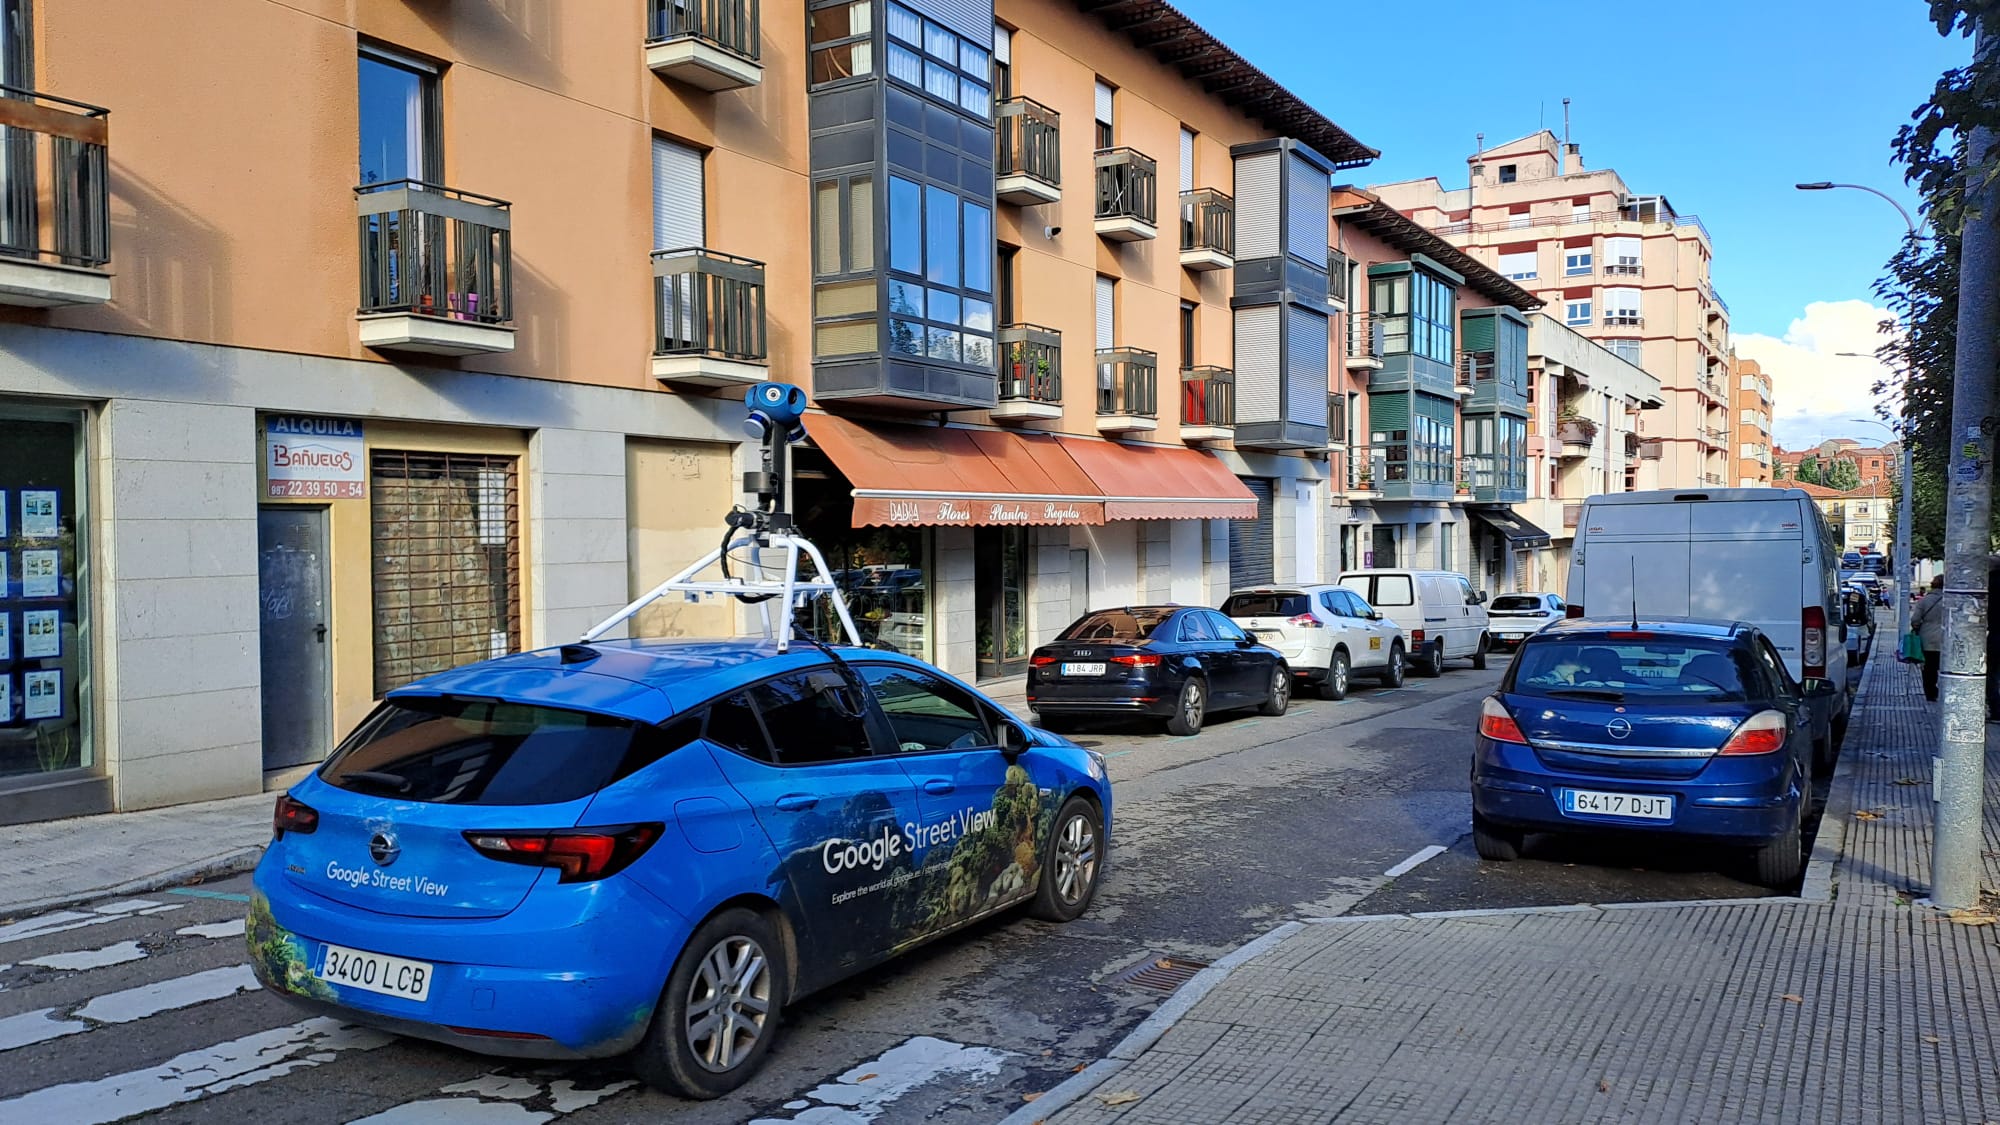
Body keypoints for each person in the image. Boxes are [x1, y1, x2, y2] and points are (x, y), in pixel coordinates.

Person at [1913, 575, 1946, 702]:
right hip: (1946, 639)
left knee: (1928, 668)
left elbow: (1915, 620)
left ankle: (1930, 693)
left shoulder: (1924, 601)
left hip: (1927, 639)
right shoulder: (1950, 599)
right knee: (1943, 666)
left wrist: (1918, 627)